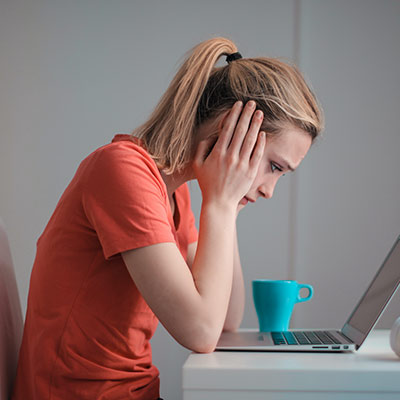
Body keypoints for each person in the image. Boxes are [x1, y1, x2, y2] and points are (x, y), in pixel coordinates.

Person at [12, 37, 323, 399]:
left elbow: (226, 320)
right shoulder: (122, 170)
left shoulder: (173, 193)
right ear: (231, 131)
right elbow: (201, 332)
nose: (270, 190)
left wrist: (228, 207)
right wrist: (220, 206)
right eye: (273, 167)